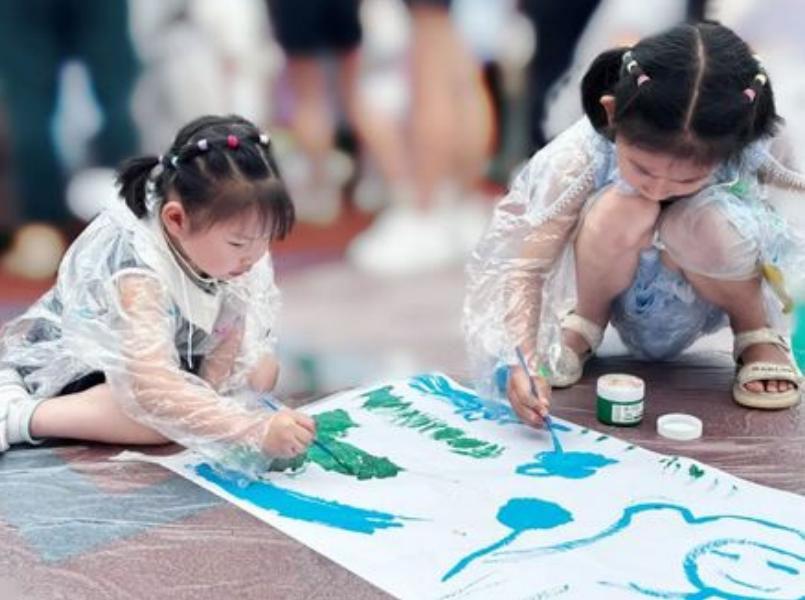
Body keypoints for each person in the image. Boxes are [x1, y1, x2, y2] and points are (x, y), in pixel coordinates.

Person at [465, 22, 805, 427]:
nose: (658, 188)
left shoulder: (756, 143)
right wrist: (521, 358)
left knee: (704, 219)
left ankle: (755, 332)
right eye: (642, 168)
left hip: (712, 279)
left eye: (687, 179)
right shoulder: (581, 152)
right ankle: (584, 324)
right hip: (612, 282)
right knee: (625, 207)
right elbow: (526, 264)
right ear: (612, 114)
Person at [0, 115, 315, 478]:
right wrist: (248, 428)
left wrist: (216, 400)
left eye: (266, 237)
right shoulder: (139, 270)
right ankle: (20, 415)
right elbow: (149, 387)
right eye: (239, 243)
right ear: (175, 220)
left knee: (260, 372)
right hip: (76, 369)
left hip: (168, 355)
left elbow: (234, 325)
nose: (255, 255)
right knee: (157, 422)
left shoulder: (236, 247)